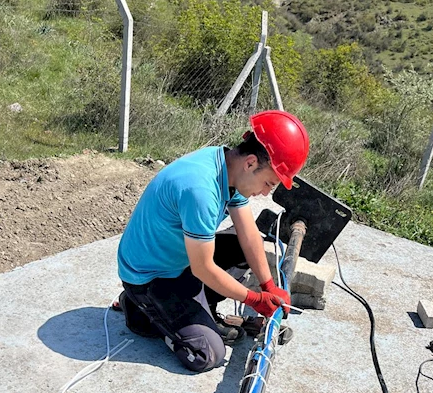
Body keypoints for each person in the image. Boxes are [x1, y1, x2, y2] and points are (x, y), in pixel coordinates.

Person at [116, 110, 309, 372]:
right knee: (207, 354)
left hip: (179, 260)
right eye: (268, 183)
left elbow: (249, 234)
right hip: (150, 278)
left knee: (243, 247)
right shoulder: (201, 190)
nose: (265, 192)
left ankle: (191, 311)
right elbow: (203, 268)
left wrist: (268, 285)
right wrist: (254, 299)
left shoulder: (227, 166)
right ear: (251, 163)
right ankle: (141, 311)